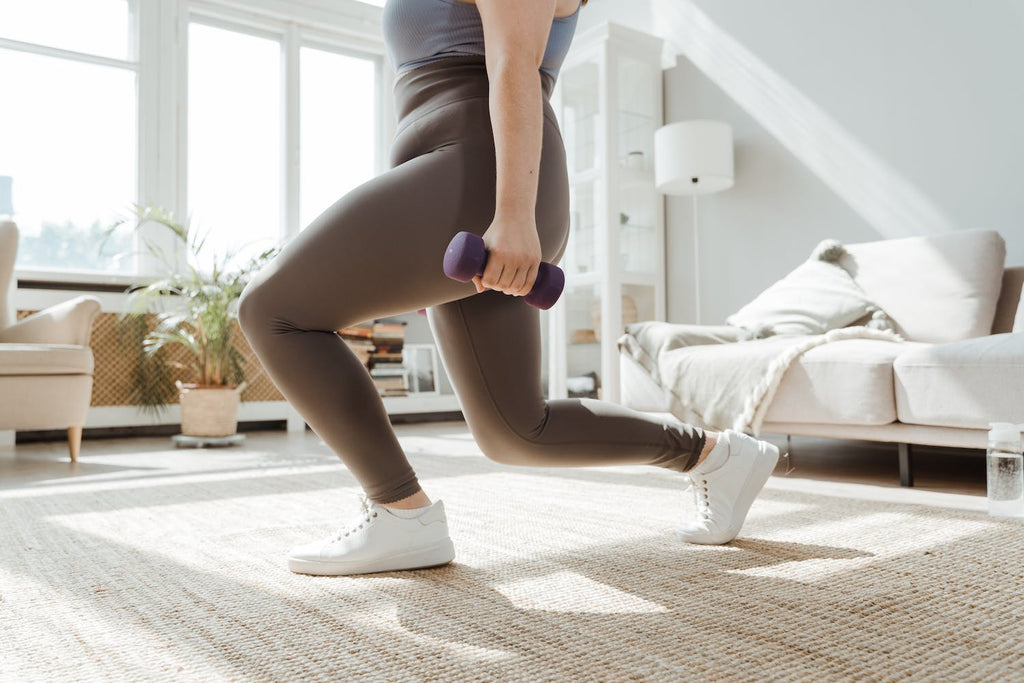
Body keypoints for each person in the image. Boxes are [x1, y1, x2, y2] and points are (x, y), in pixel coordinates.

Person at [237, 0, 779, 577]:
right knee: (516, 430)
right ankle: (717, 456)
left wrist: (514, 217)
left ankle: (400, 513)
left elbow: (516, 65)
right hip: (452, 169)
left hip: (486, 173)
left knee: (273, 309)